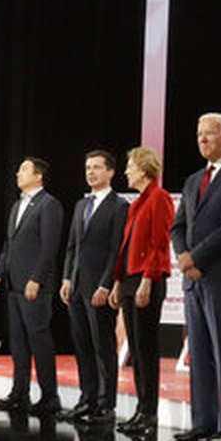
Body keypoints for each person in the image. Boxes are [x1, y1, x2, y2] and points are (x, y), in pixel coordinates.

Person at [170, 113, 221, 441]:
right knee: (199, 354)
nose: (202, 139)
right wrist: (184, 258)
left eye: (210, 134)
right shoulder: (192, 180)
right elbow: (177, 227)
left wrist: (196, 258)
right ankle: (202, 423)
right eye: (199, 134)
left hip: (219, 276)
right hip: (192, 280)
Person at [0, 157, 65, 416]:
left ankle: (50, 397)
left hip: (34, 287)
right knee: (19, 343)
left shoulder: (49, 205)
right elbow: (9, 247)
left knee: (39, 341)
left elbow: (49, 247)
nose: (17, 174)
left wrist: (37, 279)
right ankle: (19, 393)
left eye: (23, 170)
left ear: (38, 175)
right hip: (14, 285)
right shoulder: (17, 206)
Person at [59, 150, 129, 425]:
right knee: (83, 345)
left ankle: (105, 405)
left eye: (97, 167)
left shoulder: (119, 205)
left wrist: (106, 283)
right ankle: (86, 399)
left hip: (99, 288)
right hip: (76, 286)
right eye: (88, 167)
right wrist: (67, 278)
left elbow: (116, 250)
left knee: (103, 346)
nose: (91, 172)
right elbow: (72, 246)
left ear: (111, 172)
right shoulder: (81, 205)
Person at [110, 146, 175, 439]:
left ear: (144, 168)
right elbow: (125, 249)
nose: (126, 171)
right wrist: (117, 282)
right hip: (129, 280)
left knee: (146, 350)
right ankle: (141, 409)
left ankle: (150, 413)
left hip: (147, 280)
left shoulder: (159, 199)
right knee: (136, 350)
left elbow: (160, 243)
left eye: (130, 166)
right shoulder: (137, 203)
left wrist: (148, 280)